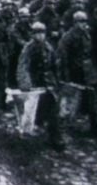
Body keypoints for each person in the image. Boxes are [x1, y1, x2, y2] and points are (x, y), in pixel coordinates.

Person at [17, 22, 64, 151]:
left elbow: (54, 65)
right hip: (35, 85)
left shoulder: (48, 47)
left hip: (48, 84)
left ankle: (55, 138)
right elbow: (23, 67)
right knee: (32, 112)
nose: (40, 35)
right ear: (33, 34)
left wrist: (58, 80)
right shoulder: (28, 48)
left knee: (53, 112)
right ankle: (28, 138)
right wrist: (26, 83)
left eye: (42, 33)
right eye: (37, 33)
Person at [57, 11, 97, 136]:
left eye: (85, 21)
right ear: (75, 22)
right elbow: (63, 56)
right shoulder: (68, 37)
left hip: (87, 71)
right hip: (75, 72)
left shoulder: (86, 34)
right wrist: (66, 74)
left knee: (91, 98)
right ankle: (67, 126)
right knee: (73, 100)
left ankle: (94, 126)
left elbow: (90, 52)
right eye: (81, 21)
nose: (84, 24)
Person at [8, 7, 33, 89]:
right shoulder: (15, 27)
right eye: (23, 17)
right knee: (15, 66)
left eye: (27, 16)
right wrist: (27, 44)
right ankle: (13, 84)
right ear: (19, 17)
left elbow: (31, 34)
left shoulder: (29, 25)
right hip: (16, 50)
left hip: (26, 49)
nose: (25, 18)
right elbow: (17, 38)